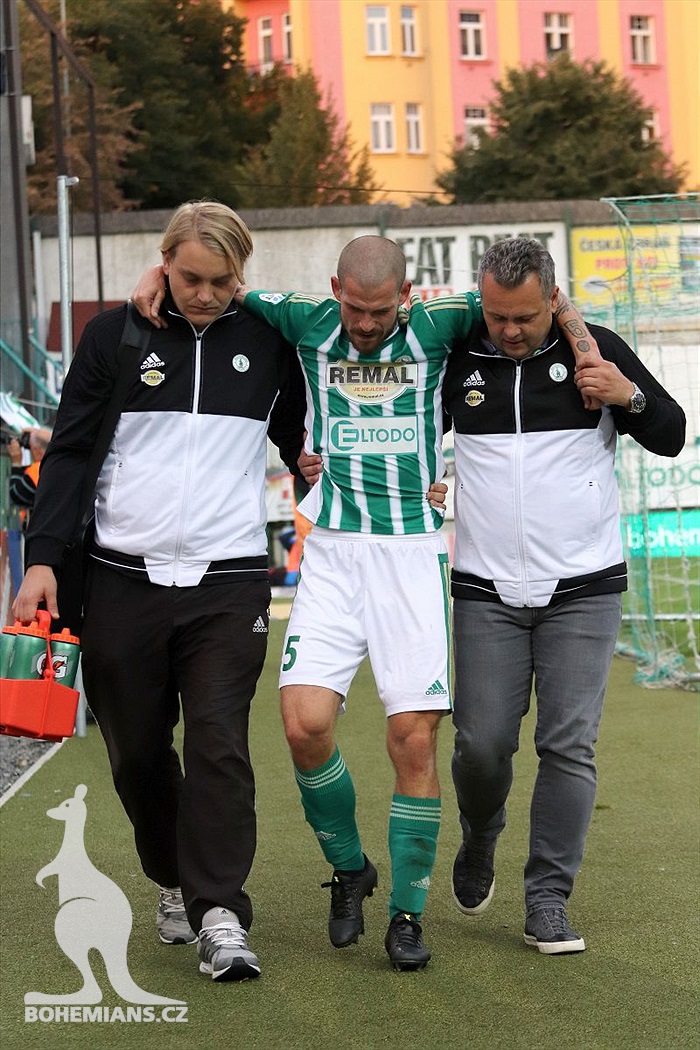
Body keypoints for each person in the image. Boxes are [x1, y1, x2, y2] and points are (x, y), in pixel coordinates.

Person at [132, 234, 601, 971]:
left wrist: (585, 347)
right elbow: (218, 286)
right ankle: (351, 869)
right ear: (335, 290)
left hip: (412, 554)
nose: (365, 325)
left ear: (406, 297)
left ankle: (409, 916)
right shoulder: (305, 317)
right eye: (354, 309)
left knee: (413, 741)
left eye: (380, 312)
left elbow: (540, 303)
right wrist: (155, 276)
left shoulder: (447, 321)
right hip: (333, 551)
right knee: (304, 726)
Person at [12, 200, 307, 983]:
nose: (205, 293)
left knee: (219, 743)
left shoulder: (274, 339)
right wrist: (41, 559)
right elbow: (70, 452)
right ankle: (174, 879)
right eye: (189, 277)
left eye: (221, 280)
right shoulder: (116, 334)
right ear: (163, 263)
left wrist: (315, 462)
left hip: (230, 579)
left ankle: (219, 913)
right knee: (138, 755)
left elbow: (305, 430)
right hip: (118, 579)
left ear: (242, 275)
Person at [442, 237, 686, 954]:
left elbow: (670, 434)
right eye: (496, 317)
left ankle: (547, 898)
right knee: (481, 745)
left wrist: (628, 395)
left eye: (523, 317)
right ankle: (480, 833)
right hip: (485, 588)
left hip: (584, 586)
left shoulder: (594, 350)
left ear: (554, 299)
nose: (509, 331)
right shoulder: (459, 356)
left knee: (567, 745)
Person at [6, 427, 52, 513]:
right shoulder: (58, 465)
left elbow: (16, 494)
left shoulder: (39, 471)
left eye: (30, 448)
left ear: (37, 451)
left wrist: (16, 463)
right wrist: (36, 433)